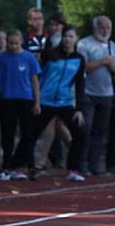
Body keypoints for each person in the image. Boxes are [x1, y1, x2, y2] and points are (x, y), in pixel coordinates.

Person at [32, 26, 85, 181]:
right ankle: (20, 166)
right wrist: (36, 100)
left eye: (70, 36)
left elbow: (80, 85)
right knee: (32, 133)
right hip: (45, 101)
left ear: (76, 39)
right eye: (65, 36)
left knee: (80, 132)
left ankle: (74, 168)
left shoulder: (79, 59)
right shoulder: (50, 54)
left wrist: (79, 109)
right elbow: (37, 75)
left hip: (65, 102)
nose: (67, 39)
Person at [0, 29, 41, 180]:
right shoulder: (2, 58)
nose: (13, 46)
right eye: (10, 43)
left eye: (16, 43)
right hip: (8, 99)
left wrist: (37, 101)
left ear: (21, 43)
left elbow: (34, 80)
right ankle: (6, 165)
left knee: (27, 134)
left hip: (25, 99)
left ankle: (31, 166)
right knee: (8, 134)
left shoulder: (29, 58)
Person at [76, 15, 115, 176]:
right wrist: (103, 62)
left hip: (106, 93)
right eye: (102, 27)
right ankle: (81, 164)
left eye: (108, 28)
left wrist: (114, 68)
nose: (105, 31)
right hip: (88, 93)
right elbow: (83, 67)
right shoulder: (84, 44)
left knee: (100, 131)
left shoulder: (112, 46)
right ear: (95, 28)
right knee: (85, 129)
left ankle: (94, 165)